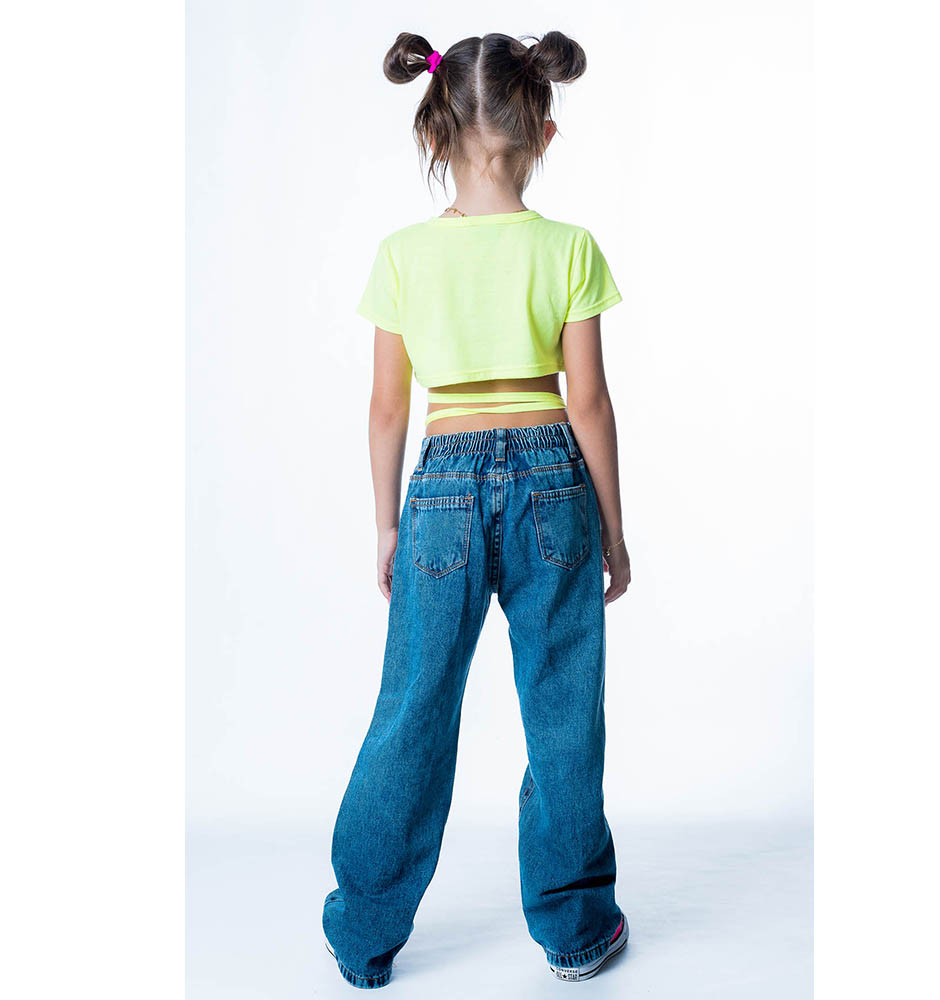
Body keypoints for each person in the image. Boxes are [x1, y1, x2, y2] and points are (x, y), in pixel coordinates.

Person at [322, 30, 631, 989]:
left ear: (434, 131)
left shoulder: (402, 255)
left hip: (442, 487)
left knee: (412, 708)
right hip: (552, 479)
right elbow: (588, 401)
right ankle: (576, 929)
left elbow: (387, 408)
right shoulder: (568, 247)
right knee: (563, 708)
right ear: (544, 131)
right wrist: (614, 530)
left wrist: (388, 524)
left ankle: (363, 932)